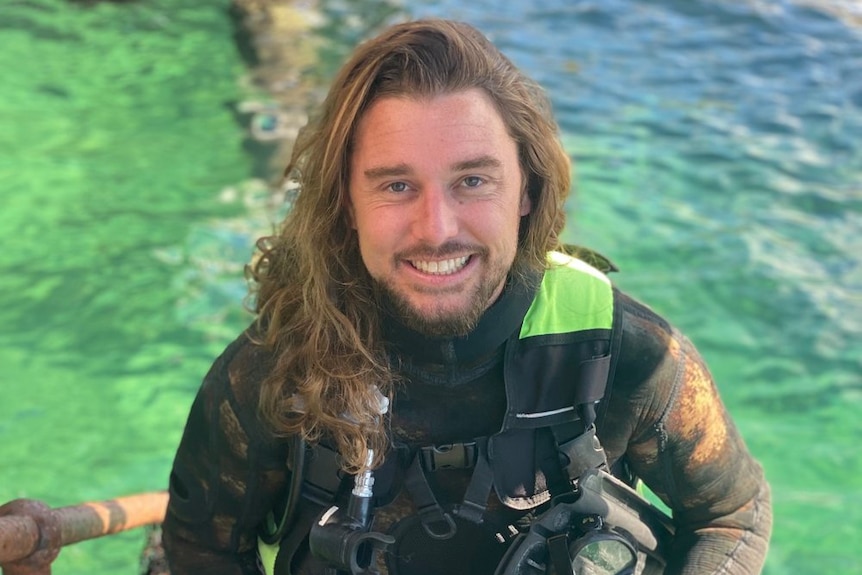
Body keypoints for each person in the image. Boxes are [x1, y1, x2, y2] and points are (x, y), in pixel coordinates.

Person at [162, 18, 772, 575]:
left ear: (527, 189)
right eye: (397, 185)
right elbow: (202, 549)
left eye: (472, 180)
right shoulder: (276, 367)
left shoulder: (626, 353)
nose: (437, 229)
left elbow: (731, 515)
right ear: (346, 203)